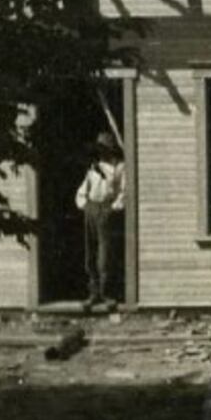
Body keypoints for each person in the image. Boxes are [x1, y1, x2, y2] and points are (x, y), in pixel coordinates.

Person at [75, 132, 125, 311]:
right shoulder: (93, 168)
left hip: (106, 210)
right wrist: (85, 205)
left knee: (105, 253)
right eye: (100, 149)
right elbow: (82, 191)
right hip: (91, 209)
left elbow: (123, 191)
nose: (102, 153)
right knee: (91, 252)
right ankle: (93, 293)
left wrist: (113, 208)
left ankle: (107, 293)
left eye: (105, 149)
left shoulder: (119, 168)